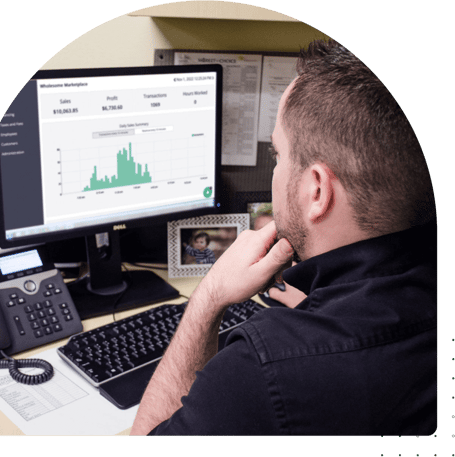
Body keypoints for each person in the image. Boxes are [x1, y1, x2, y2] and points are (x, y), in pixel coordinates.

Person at [130, 39, 437, 437]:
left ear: (316, 192)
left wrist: (208, 300)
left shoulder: (261, 368)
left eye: (278, 155)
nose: (275, 173)